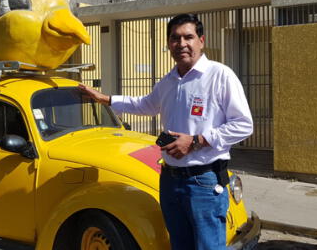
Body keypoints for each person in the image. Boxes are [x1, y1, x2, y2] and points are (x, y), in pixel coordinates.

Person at [79, 13, 253, 250]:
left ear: (201, 40)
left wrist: (196, 140)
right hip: (170, 180)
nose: (181, 44)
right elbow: (145, 105)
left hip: (203, 182)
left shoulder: (220, 76)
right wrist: (106, 99)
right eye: (175, 38)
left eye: (188, 37)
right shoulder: (169, 81)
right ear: (169, 43)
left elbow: (243, 124)